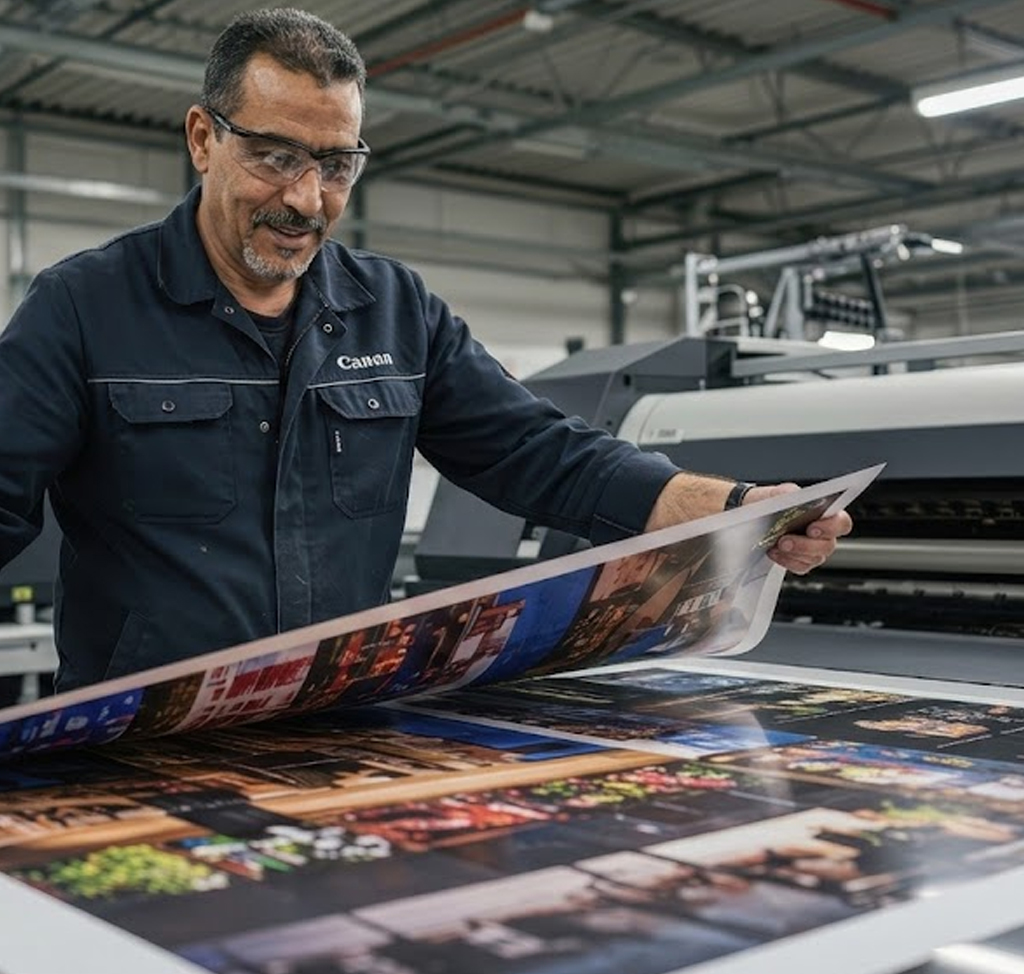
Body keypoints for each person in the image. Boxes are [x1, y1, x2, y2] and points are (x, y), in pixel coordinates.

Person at [0, 9, 851, 693]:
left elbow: (539, 454)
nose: (307, 199)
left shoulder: (394, 311)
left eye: (337, 165)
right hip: (140, 740)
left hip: (335, 725)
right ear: (202, 138)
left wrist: (740, 509)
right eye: (276, 158)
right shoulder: (84, 306)